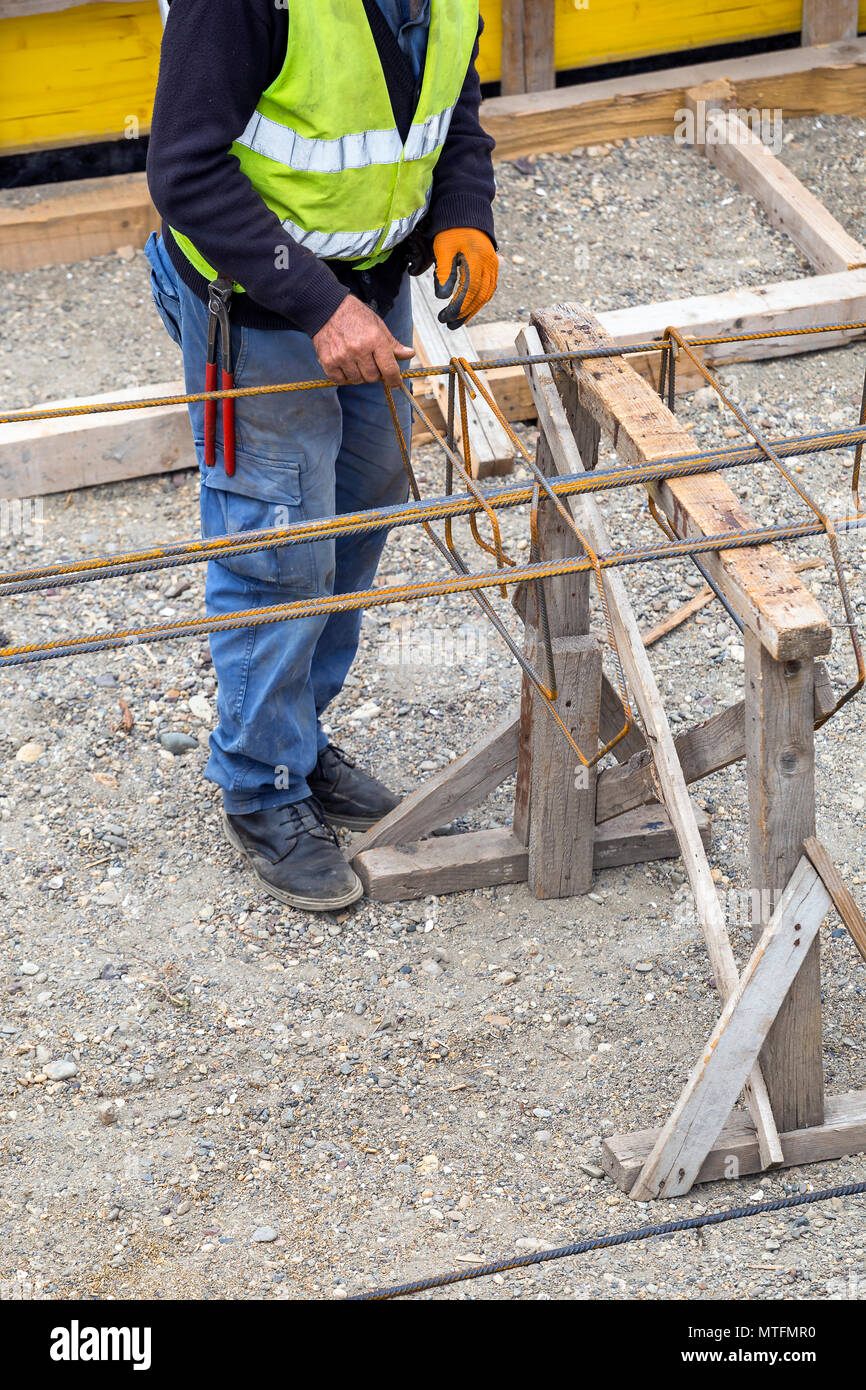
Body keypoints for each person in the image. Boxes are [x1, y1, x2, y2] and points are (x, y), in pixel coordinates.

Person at [145, 0, 498, 911]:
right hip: (258, 304)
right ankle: (261, 785)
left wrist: (464, 210)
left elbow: (447, 113)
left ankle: (295, 738)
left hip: (373, 287)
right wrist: (315, 304)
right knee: (278, 545)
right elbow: (185, 170)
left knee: (364, 504)